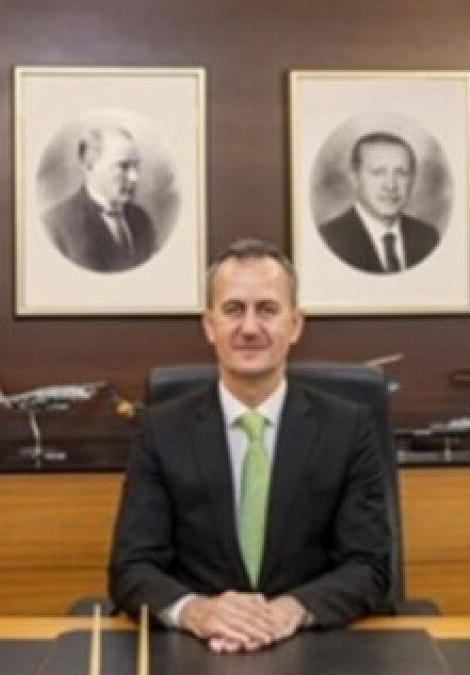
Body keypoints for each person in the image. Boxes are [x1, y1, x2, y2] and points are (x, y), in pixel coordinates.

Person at [108, 238, 391, 653]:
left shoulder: (348, 428)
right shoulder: (160, 429)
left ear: (295, 324)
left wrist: (291, 610)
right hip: (195, 652)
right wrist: (197, 611)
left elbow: (369, 566)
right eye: (233, 309)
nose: (250, 328)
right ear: (209, 325)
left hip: (315, 649)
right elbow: (131, 568)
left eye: (268, 310)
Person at [318, 131, 440, 274]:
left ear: (412, 179)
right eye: (378, 172)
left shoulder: (428, 238)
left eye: (402, 172)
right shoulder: (330, 240)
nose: (391, 185)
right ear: (354, 178)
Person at [43, 125, 157, 273]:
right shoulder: (55, 225)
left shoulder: (142, 220)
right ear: (89, 166)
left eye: (136, 166)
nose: (134, 178)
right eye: (123, 166)